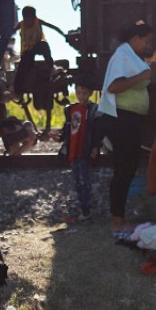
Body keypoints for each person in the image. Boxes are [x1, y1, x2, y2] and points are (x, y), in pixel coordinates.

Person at [99, 20, 154, 234]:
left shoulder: (130, 56)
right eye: (146, 41)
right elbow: (113, 86)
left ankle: (119, 218)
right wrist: (141, 76)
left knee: (127, 168)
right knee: (123, 169)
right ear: (135, 39)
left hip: (129, 120)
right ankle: (117, 221)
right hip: (122, 120)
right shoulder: (123, 55)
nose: (148, 45)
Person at [62, 77, 98, 221]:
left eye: (84, 93)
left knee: (85, 181)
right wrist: (59, 137)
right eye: (78, 93)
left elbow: (97, 130)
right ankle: (82, 209)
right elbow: (67, 129)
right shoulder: (70, 109)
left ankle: (86, 210)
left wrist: (95, 146)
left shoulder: (94, 110)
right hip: (73, 150)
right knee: (77, 180)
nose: (81, 96)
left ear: (90, 94)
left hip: (85, 149)